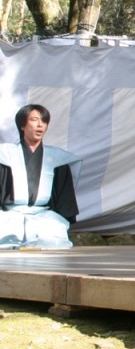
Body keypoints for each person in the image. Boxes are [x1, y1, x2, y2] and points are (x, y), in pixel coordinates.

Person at [0, 105, 80, 249]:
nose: (40, 125)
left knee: (52, 237)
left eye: (44, 121)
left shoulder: (57, 159)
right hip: (9, 214)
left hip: (44, 216)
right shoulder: (5, 156)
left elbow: (64, 200)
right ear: (22, 125)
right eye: (34, 120)